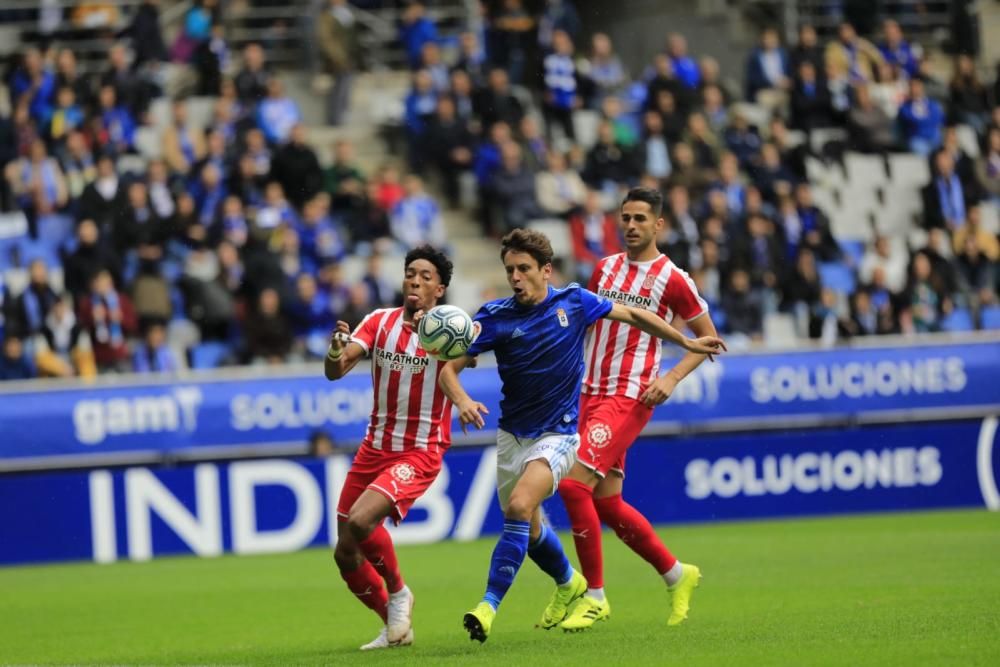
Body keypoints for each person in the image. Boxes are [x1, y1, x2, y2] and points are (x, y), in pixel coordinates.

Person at [437, 229, 725, 643]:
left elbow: (635, 315)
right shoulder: (495, 316)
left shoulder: (573, 300)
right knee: (568, 514)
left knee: (549, 495)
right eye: (510, 270)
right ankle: (665, 574)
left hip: (564, 429)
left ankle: (520, 603)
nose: (515, 277)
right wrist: (462, 400)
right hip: (513, 435)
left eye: (523, 269)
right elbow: (448, 368)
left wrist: (683, 341)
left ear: (545, 270)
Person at [556, 186, 721, 631]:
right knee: (607, 504)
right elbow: (586, 325)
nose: (630, 226)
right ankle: (675, 573)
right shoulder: (604, 269)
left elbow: (709, 339)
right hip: (588, 393)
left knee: (573, 488)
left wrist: (669, 378)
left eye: (640, 219)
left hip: (630, 395)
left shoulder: (673, 278)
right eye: (625, 218)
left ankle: (594, 596)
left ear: (658, 224)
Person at [325, 245, 457, 651]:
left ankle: (399, 592)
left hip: (419, 450)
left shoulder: (450, 331)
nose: (415, 281)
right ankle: (394, 627)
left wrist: (463, 399)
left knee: (362, 522)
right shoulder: (380, 321)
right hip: (374, 448)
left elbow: (459, 369)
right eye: (410, 273)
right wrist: (334, 349)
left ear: (440, 288)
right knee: (345, 553)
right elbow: (336, 370)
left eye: (425, 276)